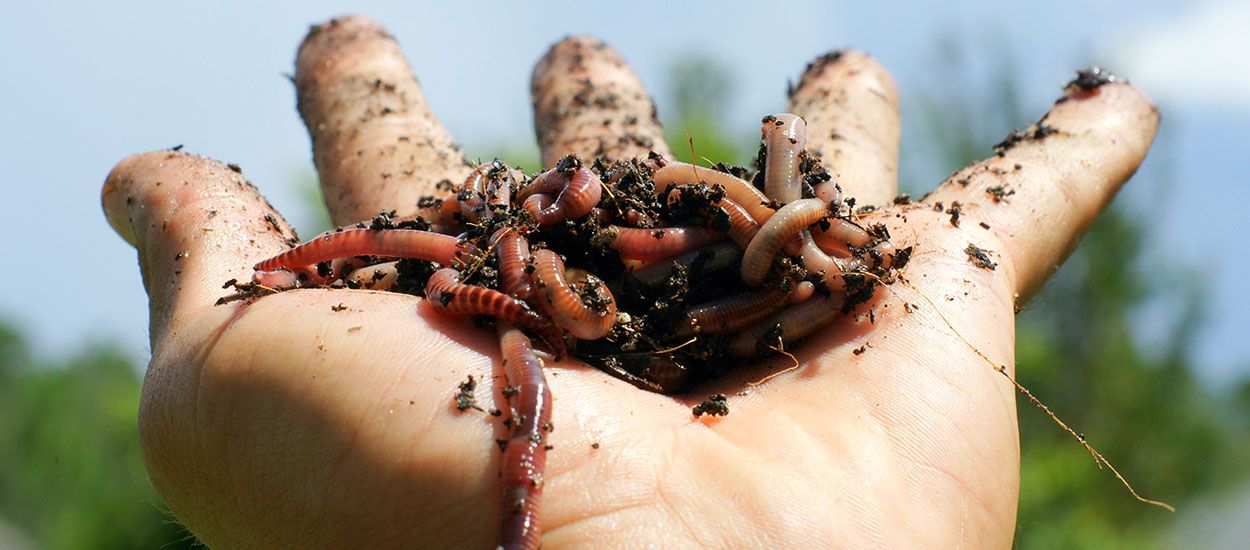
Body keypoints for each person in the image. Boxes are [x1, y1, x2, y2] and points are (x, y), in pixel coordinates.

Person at [100, 15, 1159, 548]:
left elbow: (750, 249)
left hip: (651, 294)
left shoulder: (793, 259)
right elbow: (505, 273)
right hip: (538, 281)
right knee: (482, 272)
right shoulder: (517, 262)